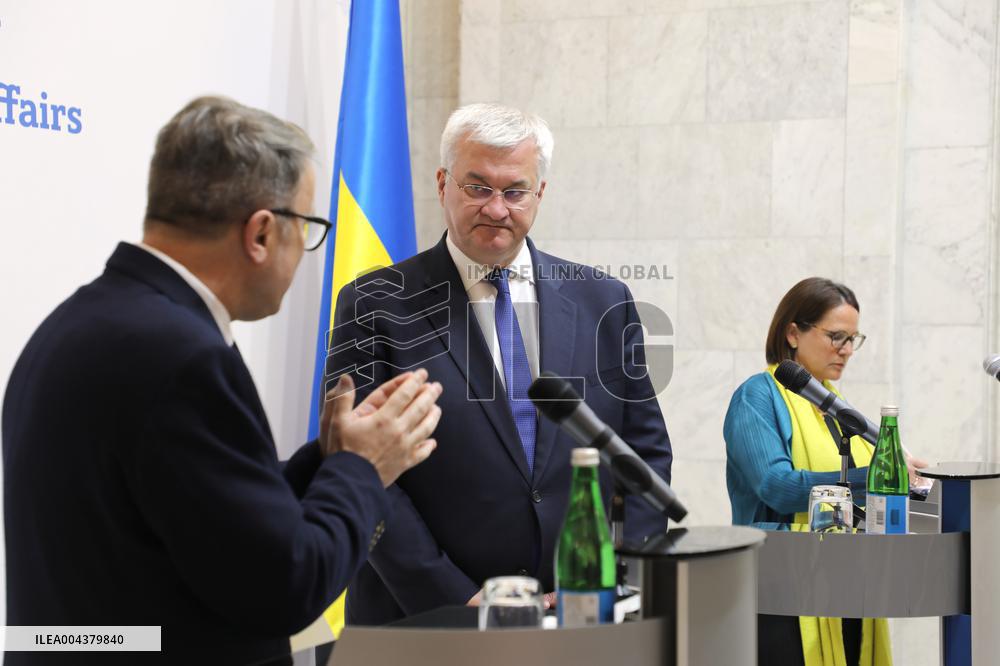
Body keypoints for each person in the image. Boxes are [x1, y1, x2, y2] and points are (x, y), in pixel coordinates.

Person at [1, 96, 442, 665]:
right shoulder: (182, 359)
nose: (308, 252)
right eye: (309, 228)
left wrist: (329, 458)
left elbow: (203, 520)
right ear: (261, 233)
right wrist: (364, 470)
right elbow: (285, 586)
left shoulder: (76, 323)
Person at [330, 102, 674, 625]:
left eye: (514, 191)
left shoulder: (603, 300)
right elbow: (358, 466)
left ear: (540, 193)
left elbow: (642, 455)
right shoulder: (376, 301)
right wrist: (452, 596)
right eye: (477, 187)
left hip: (580, 616)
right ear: (443, 183)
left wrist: (612, 574)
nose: (497, 208)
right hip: (426, 622)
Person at [724, 277, 897, 666]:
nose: (848, 350)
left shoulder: (838, 408)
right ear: (793, 333)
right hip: (780, 589)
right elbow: (777, 487)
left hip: (848, 583)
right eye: (837, 336)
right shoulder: (757, 396)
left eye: (854, 339)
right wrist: (874, 478)